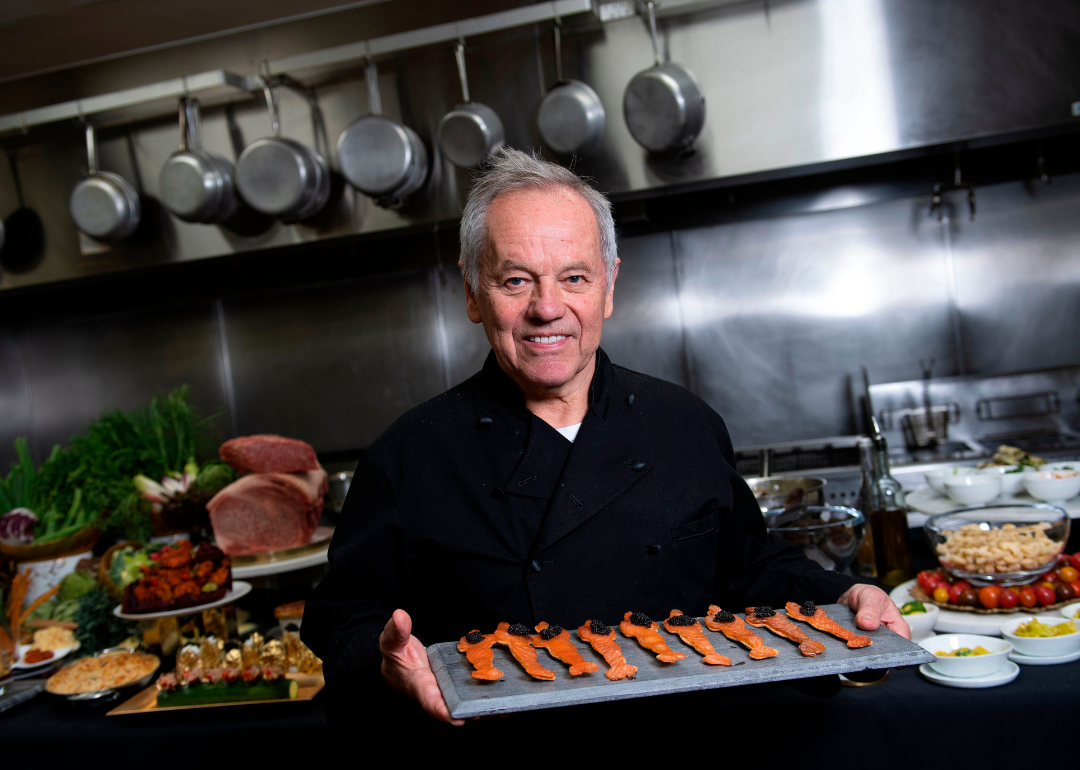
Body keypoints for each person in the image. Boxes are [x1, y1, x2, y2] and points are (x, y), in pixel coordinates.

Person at [303, 148, 909, 731]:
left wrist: (844, 594)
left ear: (609, 286)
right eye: (515, 280)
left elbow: (747, 570)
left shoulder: (685, 424)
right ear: (471, 291)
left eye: (574, 277)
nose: (548, 308)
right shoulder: (409, 456)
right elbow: (345, 624)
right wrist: (388, 667)